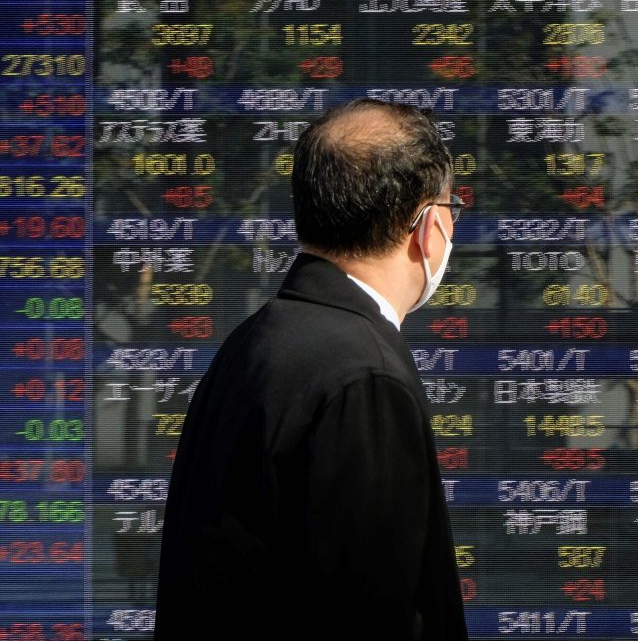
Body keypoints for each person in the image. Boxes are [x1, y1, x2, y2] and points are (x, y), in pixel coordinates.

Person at [154, 98, 469, 640]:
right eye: (451, 208)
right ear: (429, 225)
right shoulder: (365, 377)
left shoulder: (255, 341)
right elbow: (369, 618)